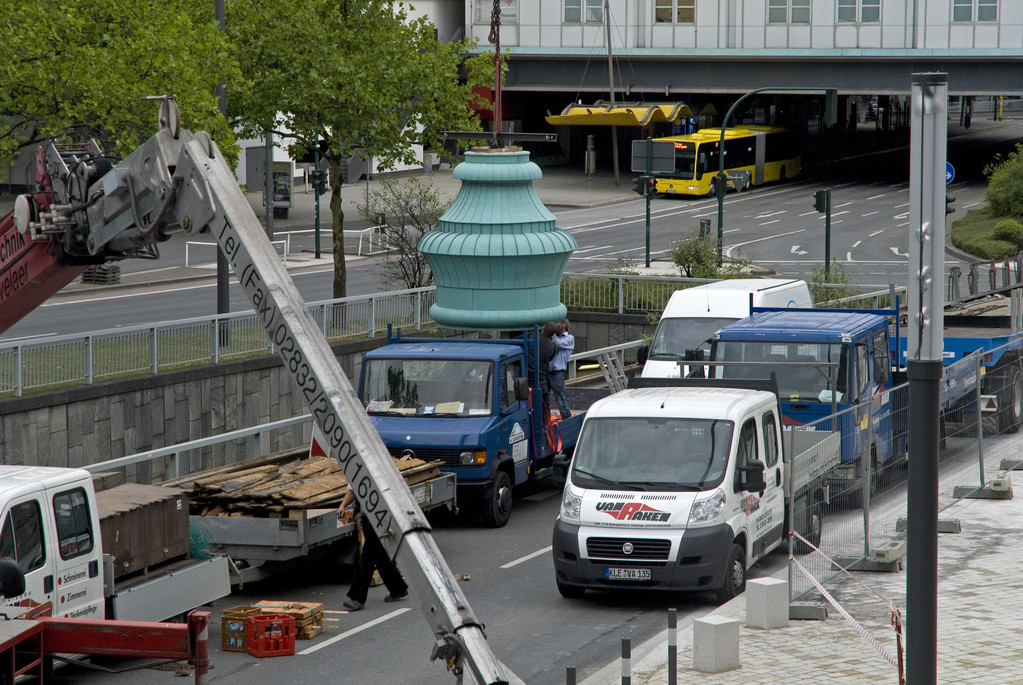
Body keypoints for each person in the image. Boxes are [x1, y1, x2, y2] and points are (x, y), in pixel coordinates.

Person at [338, 488, 408, 611]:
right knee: (380, 555)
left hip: (381, 517)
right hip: (367, 516)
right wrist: (343, 505)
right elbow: (353, 489)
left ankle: (356, 598)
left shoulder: (378, 469)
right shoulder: (359, 469)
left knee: (368, 556)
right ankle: (398, 588)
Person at [548, 318, 575, 420]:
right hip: (547, 372)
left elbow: (559, 344)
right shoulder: (552, 338)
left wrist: (551, 332)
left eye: (557, 324)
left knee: (560, 400)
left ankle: (568, 421)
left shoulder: (570, 338)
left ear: (564, 324)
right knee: (544, 399)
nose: (556, 327)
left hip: (557, 373)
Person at [538, 322, 557, 410]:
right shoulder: (552, 345)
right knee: (544, 404)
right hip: (542, 377)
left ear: (544, 328)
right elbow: (551, 358)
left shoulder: (532, 337)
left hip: (526, 375)